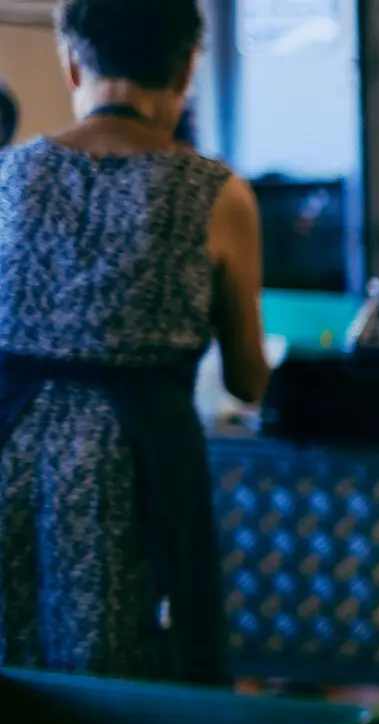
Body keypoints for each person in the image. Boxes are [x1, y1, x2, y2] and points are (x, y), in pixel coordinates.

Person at [0, 0, 268, 683]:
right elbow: (247, 379)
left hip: (11, 455)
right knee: (140, 687)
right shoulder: (216, 194)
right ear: (187, 68)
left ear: (70, 62)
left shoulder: (9, 178)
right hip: (142, 467)